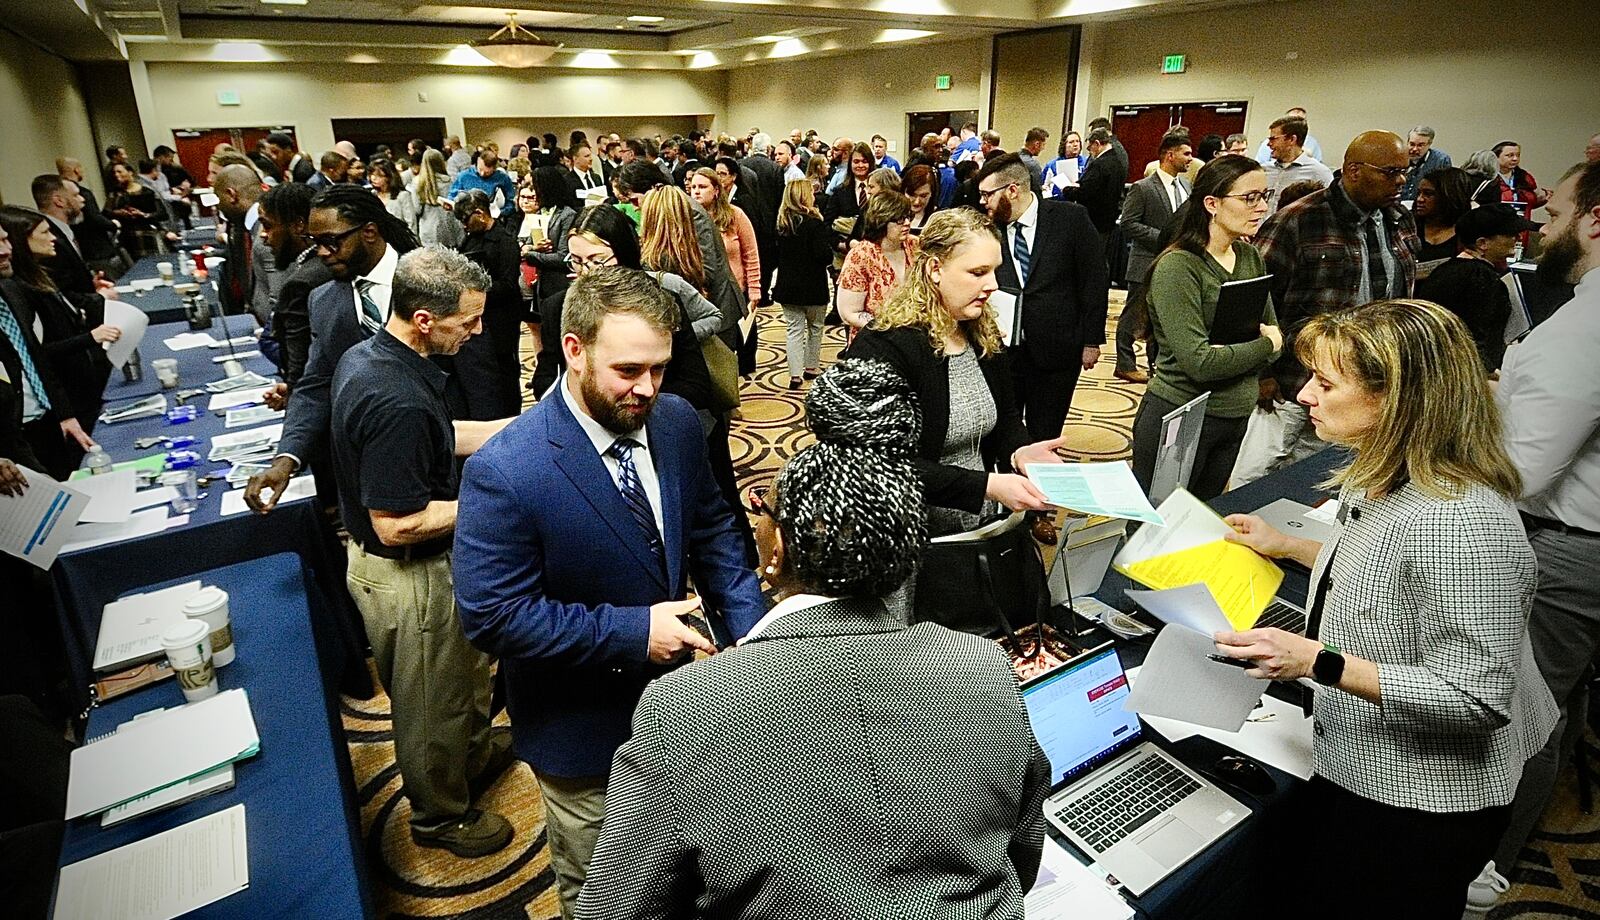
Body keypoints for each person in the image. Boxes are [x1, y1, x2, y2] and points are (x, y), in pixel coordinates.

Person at [575, 358, 1051, 920]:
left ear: (775, 554)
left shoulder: (683, 709)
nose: (758, 516)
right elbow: (1024, 845)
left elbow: (612, 910)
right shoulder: (982, 665)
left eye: (764, 509)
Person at [1215, 298, 1557, 920]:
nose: (1303, 398)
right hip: (1365, 767)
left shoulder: (1460, 522)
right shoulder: (1395, 472)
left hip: (1418, 802)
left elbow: (1476, 699)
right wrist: (1288, 544)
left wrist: (1318, 662)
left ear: (1395, 398)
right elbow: (1385, 570)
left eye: (1325, 383)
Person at [453, 265, 767, 920]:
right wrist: (632, 632)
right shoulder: (505, 470)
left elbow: (714, 534)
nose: (646, 388)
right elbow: (492, 617)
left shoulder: (677, 422)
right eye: (628, 370)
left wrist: (756, 642)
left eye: (659, 368)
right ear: (574, 349)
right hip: (584, 736)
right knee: (609, 900)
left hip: (690, 716)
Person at [330, 245, 516, 858]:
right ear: (426, 320)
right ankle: (440, 816)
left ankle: (474, 756)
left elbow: (442, 438)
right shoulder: (397, 402)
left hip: (430, 569)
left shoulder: (377, 357)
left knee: (464, 676)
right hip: (408, 575)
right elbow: (397, 524)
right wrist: (489, 506)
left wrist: (520, 427)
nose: (478, 331)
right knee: (431, 701)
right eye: (469, 321)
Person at [245, 185, 508, 513]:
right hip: (377, 477)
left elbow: (481, 380)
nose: (322, 252)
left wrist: (497, 461)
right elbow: (315, 387)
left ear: (369, 232)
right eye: (314, 242)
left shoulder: (438, 279)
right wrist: (287, 458)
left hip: (454, 461)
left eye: (330, 241)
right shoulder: (323, 301)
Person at [1492, 161, 1600, 886]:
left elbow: (1525, 475)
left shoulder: (1588, 325)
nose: (1540, 225)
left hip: (1565, 551)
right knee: (1554, 706)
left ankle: (1479, 866)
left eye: (1555, 213)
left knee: (1522, 718)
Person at [846, 207, 1068, 545]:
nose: (993, 285)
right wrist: (987, 486)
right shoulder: (886, 345)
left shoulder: (980, 331)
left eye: (994, 271)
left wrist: (1019, 452)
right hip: (906, 534)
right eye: (978, 272)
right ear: (935, 269)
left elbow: (1004, 418)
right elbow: (883, 465)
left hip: (975, 526)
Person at [1248, 130, 1419, 481]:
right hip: (1295, 379)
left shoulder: (1399, 220)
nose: (1401, 181)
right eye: (1390, 172)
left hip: (1365, 383)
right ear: (1354, 171)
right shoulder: (1299, 220)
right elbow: (1256, 304)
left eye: (1405, 171)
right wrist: (1262, 374)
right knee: (1258, 471)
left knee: (1324, 474)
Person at [1128, 157, 1282, 500]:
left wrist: (1260, 345)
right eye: (1250, 198)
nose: (1261, 207)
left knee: (1201, 521)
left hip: (1236, 415)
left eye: (1264, 196)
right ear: (1212, 204)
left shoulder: (1249, 257)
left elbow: (1275, 332)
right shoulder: (1179, 266)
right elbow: (1199, 363)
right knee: (1156, 529)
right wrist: (1263, 347)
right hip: (1183, 415)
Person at [977, 153, 1109, 450]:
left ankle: (1039, 491)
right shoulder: (987, 230)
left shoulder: (1071, 219)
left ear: (1012, 190)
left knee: (1045, 433)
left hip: (1056, 351)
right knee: (1000, 431)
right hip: (1003, 352)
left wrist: (1092, 340)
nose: (983, 201)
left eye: (987, 194)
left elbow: (1094, 281)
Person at [0, 207, 117, 449]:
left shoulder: (32, 280)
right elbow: (39, 352)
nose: (53, 238)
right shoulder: (21, 289)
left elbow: (32, 353)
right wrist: (89, 337)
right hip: (44, 411)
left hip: (64, 403)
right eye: (44, 232)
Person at [0, 224, 95, 481]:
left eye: (6, 240)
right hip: (10, 444)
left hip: (46, 424)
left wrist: (63, 413)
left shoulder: (11, 290)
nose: (6, 251)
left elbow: (34, 357)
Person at [1117, 131, 1193, 383]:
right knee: (1132, 315)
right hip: (1144, 261)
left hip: (1174, 264)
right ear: (1170, 155)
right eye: (1186, 153)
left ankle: (1156, 366)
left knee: (1160, 317)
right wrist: (1165, 238)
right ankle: (1124, 363)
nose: (1190, 159)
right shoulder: (1143, 187)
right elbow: (1128, 223)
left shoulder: (1185, 187)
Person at [1415, 205, 1525, 374]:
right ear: (1483, 243)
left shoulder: (1443, 270)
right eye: (1510, 234)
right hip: (1466, 375)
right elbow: (1476, 337)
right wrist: (1488, 374)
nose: (1518, 238)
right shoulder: (1482, 279)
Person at [452, 190, 525, 412]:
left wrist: (476, 292)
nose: (464, 226)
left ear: (480, 214)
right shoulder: (469, 239)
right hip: (478, 322)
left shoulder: (505, 241)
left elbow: (509, 284)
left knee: (505, 372)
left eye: (466, 220)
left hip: (502, 320)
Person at [257, 182, 330, 388]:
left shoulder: (302, 284)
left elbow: (301, 371)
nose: (263, 235)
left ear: (299, 225)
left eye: (268, 225)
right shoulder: (323, 266)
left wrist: (292, 392)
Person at [772, 179, 832, 389]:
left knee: (793, 330)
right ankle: (811, 367)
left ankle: (795, 374)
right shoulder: (815, 224)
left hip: (787, 287)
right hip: (813, 287)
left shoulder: (782, 225)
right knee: (815, 327)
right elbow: (824, 256)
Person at [836, 192, 915, 336]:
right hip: (874, 339)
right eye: (899, 219)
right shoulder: (861, 255)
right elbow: (848, 312)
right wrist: (889, 329)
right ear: (882, 221)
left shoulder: (914, 246)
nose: (907, 223)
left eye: (909, 217)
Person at [690, 168, 760, 317]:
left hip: (733, 291)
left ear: (716, 190)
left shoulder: (735, 215)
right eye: (693, 187)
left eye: (702, 187)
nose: (696, 191)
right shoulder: (686, 219)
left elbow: (751, 254)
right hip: (700, 293)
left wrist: (754, 289)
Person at [519, 165, 579, 309]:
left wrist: (529, 254)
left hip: (559, 283)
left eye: (535, 188)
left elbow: (563, 257)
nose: (533, 194)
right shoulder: (539, 213)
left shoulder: (567, 215)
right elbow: (526, 245)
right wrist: (532, 249)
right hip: (542, 283)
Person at [211, 164, 264, 320]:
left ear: (231, 195)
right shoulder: (242, 227)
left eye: (219, 199)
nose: (218, 206)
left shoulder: (267, 230)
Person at [1261, 115, 1334, 211]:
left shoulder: (1319, 173)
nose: (1268, 144)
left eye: (1273, 139)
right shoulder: (1263, 170)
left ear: (1292, 139)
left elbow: (1330, 208)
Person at [1061, 128, 1124, 239]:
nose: (1089, 151)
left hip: (1094, 221)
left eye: (1090, 147)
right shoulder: (1118, 162)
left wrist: (1067, 189)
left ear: (1097, 144)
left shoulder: (1099, 164)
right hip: (1109, 221)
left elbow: (1086, 193)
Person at [103, 162, 169, 256]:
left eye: (119, 171)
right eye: (114, 173)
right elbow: (105, 213)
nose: (116, 175)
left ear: (130, 172)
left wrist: (143, 215)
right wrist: (118, 213)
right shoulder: (115, 194)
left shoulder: (147, 192)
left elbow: (162, 214)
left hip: (146, 236)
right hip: (125, 238)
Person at [1411, 166, 1474, 263]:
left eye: (1428, 194)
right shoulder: (1408, 226)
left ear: (1449, 196)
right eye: (1419, 193)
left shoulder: (1468, 233)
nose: (1420, 199)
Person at [403, 149, 463, 248]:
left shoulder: (417, 183)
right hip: (449, 228)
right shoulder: (449, 181)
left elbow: (417, 210)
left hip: (429, 230)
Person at [1476, 141, 1550, 217]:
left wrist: (1543, 198)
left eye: (1518, 155)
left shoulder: (1524, 176)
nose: (1515, 159)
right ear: (1496, 157)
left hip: (1522, 223)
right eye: (1510, 155)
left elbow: (1532, 200)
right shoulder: (1486, 177)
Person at [823, 141, 874, 225]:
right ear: (850, 163)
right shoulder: (839, 191)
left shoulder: (881, 190)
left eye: (864, 161)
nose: (860, 165)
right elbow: (827, 223)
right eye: (856, 162)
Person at [448, 150, 517, 211]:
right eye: (480, 169)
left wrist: (501, 212)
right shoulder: (464, 176)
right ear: (478, 161)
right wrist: (449, 204)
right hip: (468, 216)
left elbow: (511, 200)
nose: (482, 174)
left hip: (495, 216)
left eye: (487, 172)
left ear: (494, 168)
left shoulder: (502, 178)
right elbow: (452, 195)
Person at [1254, 106, 1324, 164]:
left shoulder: (1313, 143)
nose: (1296, 124)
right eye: (1291, 120)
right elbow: (1259, 165)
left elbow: (1317, 164)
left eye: (1300, 121)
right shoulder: (1268, 143)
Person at [1402, 126, 1453, 201]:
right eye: (1412, 144)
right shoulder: (1399, 157)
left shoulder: (1441, 160)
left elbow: (1444, 191)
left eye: (1420, 145)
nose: (1414, 149)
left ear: (1429, 145)